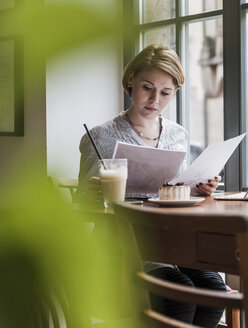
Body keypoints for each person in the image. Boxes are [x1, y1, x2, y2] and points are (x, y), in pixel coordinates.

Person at [76, 44, 226, 327]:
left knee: (214, 290)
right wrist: (94, 195)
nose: (155, 99)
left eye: (166, 93)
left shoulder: (178, 135)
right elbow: (82, 203)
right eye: (147, 88)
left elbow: (178, 188)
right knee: (180, 298)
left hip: (174, 240)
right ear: (130, 79)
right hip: (124, 245)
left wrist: (199, 189)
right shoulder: (100, 137)